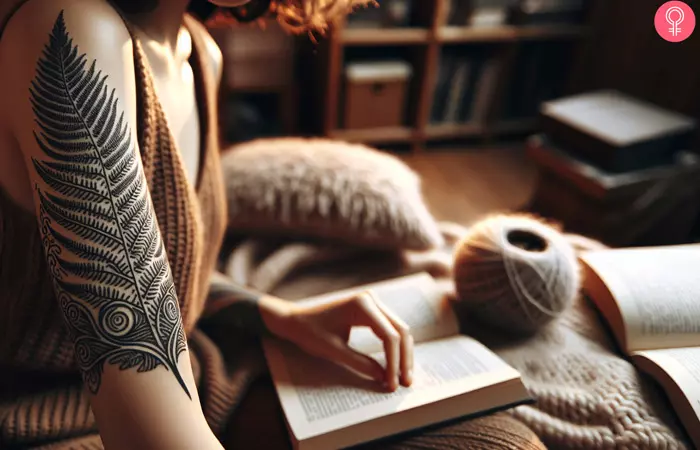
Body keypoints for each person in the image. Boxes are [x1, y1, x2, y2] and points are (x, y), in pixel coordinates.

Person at [0, 1, 545, 449]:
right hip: (54, 422)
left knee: (499, 441)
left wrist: (278, 315)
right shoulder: (69, 34)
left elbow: (158, 270)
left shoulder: (198, 52)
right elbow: (141, 400)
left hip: (197, 379)